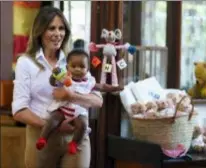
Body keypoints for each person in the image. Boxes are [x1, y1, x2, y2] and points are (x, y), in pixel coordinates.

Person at [12, 6, 103, 168]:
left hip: (76, 137)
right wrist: (55, 126)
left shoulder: (74, 59)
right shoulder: (25, 63)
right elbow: (19, 111)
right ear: (40, 31)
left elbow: (97, 100)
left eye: (61, 28)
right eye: (51, 28)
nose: (57, 33)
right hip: (42, 136)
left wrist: (71, 96)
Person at [36, 49, 123, 155]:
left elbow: (102, 86)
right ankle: (43, 139)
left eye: (82, 67)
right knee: (53, 120)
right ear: (67, 67)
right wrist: (54, 75)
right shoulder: (64, 77)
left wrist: (115, 88)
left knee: (83, 125)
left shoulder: (89, 82)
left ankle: (74, 144)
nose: (77, 69)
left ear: (87, 69)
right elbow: (53, 83)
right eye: (74, 66)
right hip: (62, 108)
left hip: (78, 111)